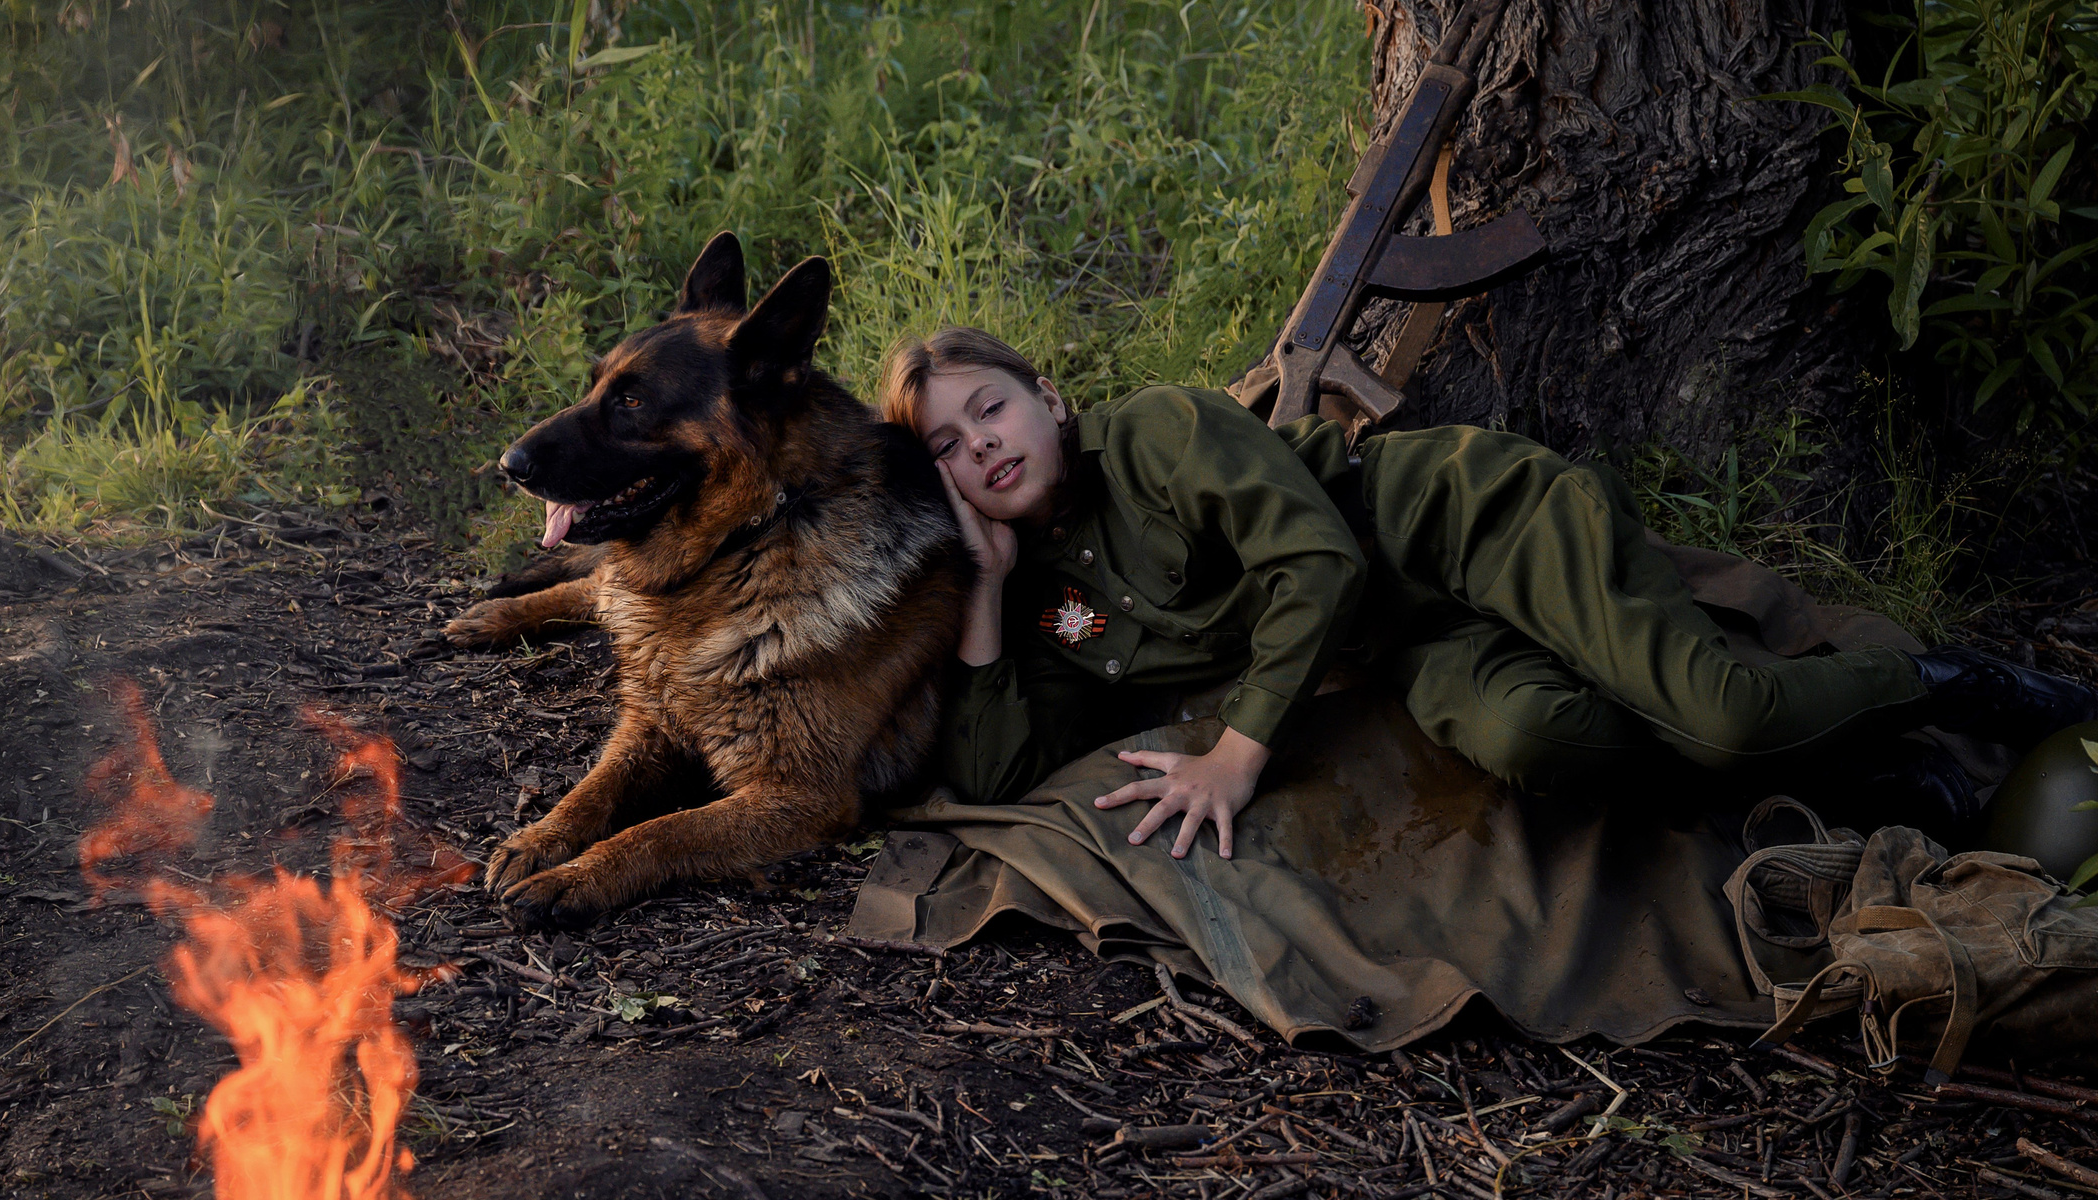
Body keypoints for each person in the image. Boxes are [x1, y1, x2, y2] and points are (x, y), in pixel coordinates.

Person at [877, 327, 2096, 859]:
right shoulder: (1039, 602)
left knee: (1724, 708)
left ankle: (1967, 686)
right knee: (1533, 738)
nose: (981, 445)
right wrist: (980, 603)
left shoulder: (1155, 434)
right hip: (1409, 647)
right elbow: (993, 779)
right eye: (943, 447)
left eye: (991, 407)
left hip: (1461, 531)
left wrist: (1238, 752)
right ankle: (1859, 781)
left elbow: (1315, 561)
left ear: (1046, 397)